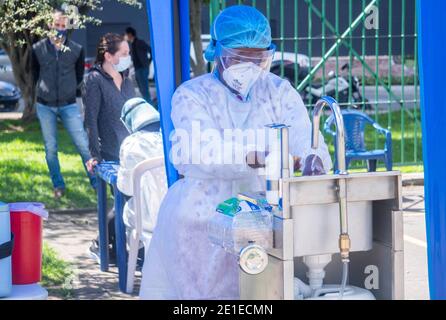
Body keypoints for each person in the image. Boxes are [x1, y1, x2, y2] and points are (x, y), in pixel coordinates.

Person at [139, 5, 332, 300]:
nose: (250, 67)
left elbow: (307, 141)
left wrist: (313, 160)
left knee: (265, 294)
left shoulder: (279, 91)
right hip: (201, 223)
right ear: (217, 51)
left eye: (259, 58)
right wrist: (253, 156)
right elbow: (196, 152)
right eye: (240, 58)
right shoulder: (192, 94)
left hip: (267, 222)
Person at [83, 33, 136, 260]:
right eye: (124, 53)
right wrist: (94, 154)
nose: (128, 56)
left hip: (132, 149)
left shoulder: (128, 78)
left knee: (134, 198)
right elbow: (91, 120)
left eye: (128, 52)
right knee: (123, 198)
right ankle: (100, 243)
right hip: (109, 151)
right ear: (108, 56)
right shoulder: (94, 80)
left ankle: (116, 244)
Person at [32, 9, 94, 198]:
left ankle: (96, 182)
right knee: (51, 147)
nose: (59, 29)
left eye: (63, 26)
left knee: (83, 144)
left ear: (67, 26)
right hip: (45, 105)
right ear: (50, 25)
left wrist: (68, 91)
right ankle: (58, 185)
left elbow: (77, 76)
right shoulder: (38, 49)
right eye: (56, 25)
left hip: (68, 104)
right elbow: (34, 74)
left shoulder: (76, 49)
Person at [117, 98, 166, 250]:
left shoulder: (132, 144)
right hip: (177, 214)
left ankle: (135, 255)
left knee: (123, 211)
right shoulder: (172, 137)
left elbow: (126, 188)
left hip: (146, 220)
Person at [125, 27, 153, 104]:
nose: (126, 36)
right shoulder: (132, 44)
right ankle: (148, 103)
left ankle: (150, 105)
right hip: (138, 69)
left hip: (143, 68)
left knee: (144, 89)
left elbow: (150, 50)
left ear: (130, 34)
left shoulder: (139, 42)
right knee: (141, 89)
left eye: (126, 34)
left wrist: (148, 62)